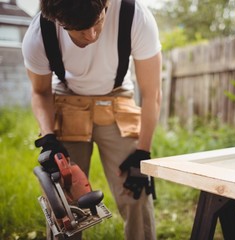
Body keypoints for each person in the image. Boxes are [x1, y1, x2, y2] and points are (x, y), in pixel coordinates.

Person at [22, 0, 162, 239]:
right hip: (67, 100)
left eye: (97, 23)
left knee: (135, 188)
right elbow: (40, 92)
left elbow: (152, 93)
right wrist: (48, 138)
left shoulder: (135, 15)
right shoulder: (39, 34)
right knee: (64, 198)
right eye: (79, 29)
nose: (91, 35)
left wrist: (143, 152)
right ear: (57, 20)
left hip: (116, 100)